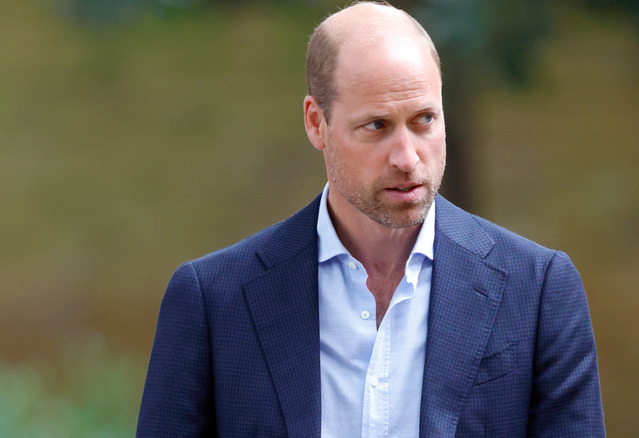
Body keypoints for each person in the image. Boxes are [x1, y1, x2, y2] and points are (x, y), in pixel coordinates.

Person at [136, 1, 605, 437]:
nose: (407, 157)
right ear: (316, 124)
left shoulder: (539, 288)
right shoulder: (212, 300)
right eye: (377, 126)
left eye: (424, 120)